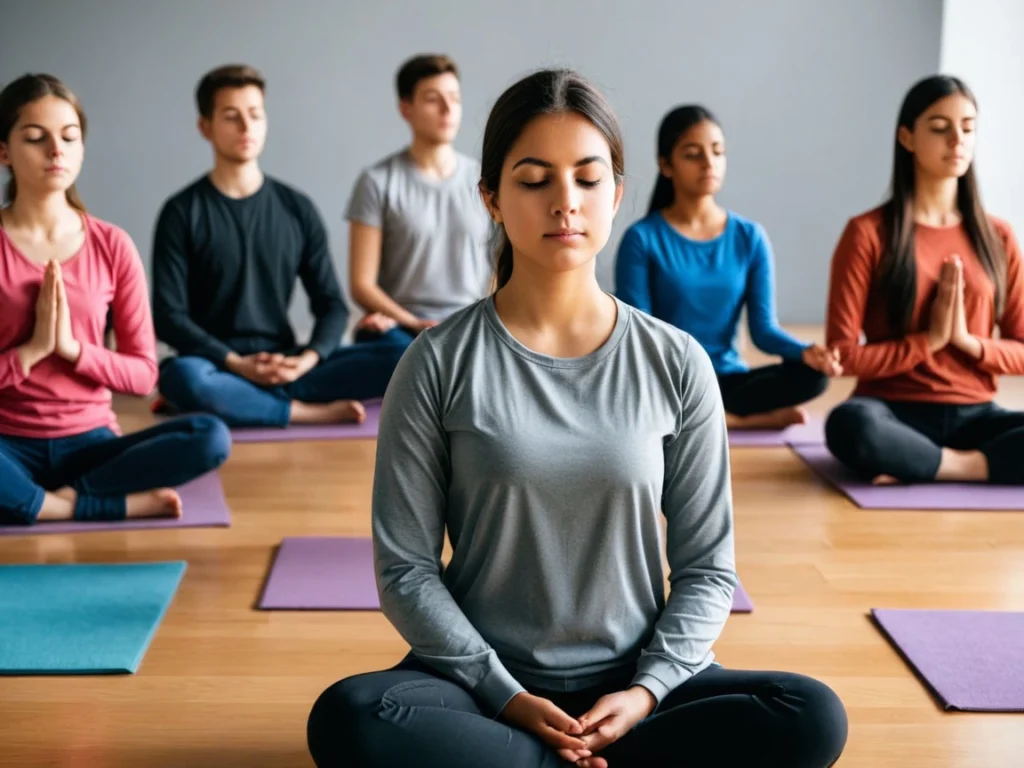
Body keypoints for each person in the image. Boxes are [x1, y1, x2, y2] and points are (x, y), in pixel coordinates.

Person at [306, 69, 848, 768]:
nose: (566, 202)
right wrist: (503, 695)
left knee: (810, 716)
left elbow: (709, 570)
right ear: (492, 199)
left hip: (633, 683)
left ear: (616, 195)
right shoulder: (435, 361)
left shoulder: (677, 361)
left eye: (588, 179)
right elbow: (407, 570)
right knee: (350, 719)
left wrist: (647, 691)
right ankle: (550, 750)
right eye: (534, 180)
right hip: (482, 688)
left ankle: (552, 755)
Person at [0, 74, 230, 525]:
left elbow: (144, 375)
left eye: (69, 137)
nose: (56, 151)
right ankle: (91, 506)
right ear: (4, 152)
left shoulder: (112, 244)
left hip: (92, 446)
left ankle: (43, 504)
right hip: (7, 444)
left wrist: (72, 350)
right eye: (35, 138)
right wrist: (31, 353)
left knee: (210, 434)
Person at [152, 64, 405, 429]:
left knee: (400, 353)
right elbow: (168, 315)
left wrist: (307, 359)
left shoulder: (296, 208)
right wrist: (236, 363)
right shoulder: (181, 212)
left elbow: (331, 305)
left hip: (287, 365)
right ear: (205, 127)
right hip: (218, 364)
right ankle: (299, 412)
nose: (246, 127)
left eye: (255, 114)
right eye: (231, 116)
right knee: (181, 377)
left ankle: (246, 402)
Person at [824, 75, 1024, 485]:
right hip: (891, 410)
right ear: (907, 137)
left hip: (977, 413)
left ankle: (937, 465)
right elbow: (842, 355)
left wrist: (967, 342)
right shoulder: (867, 234)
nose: (957, 139)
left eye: (967, 127)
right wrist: (927, 342)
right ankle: (973, 464)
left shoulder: (998, 236)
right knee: (848, 425)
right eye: (939, 127)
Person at [615, 105, 841, 430]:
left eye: (717, 152)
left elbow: (763, 331)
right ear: (666, 165)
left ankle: (713, 418)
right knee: (626, 386)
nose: (709, 163)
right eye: (693, 154)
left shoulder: (750, 237)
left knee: (813, 378)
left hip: (729, 382)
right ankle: (729, 421)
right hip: (669, 380)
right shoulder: (642, 238)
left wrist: (807, 352)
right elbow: (639, 337)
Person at [345, 54, 492, 347]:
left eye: (454, 98)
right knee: (402, 356)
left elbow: (503, 269)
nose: (447, 109)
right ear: (406, 108)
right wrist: (411, 323)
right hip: (401, 326)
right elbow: (362, 284)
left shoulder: (485, 182)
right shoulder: (378, 181)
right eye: (432, 99)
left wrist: (487, 317)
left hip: (471, 321)